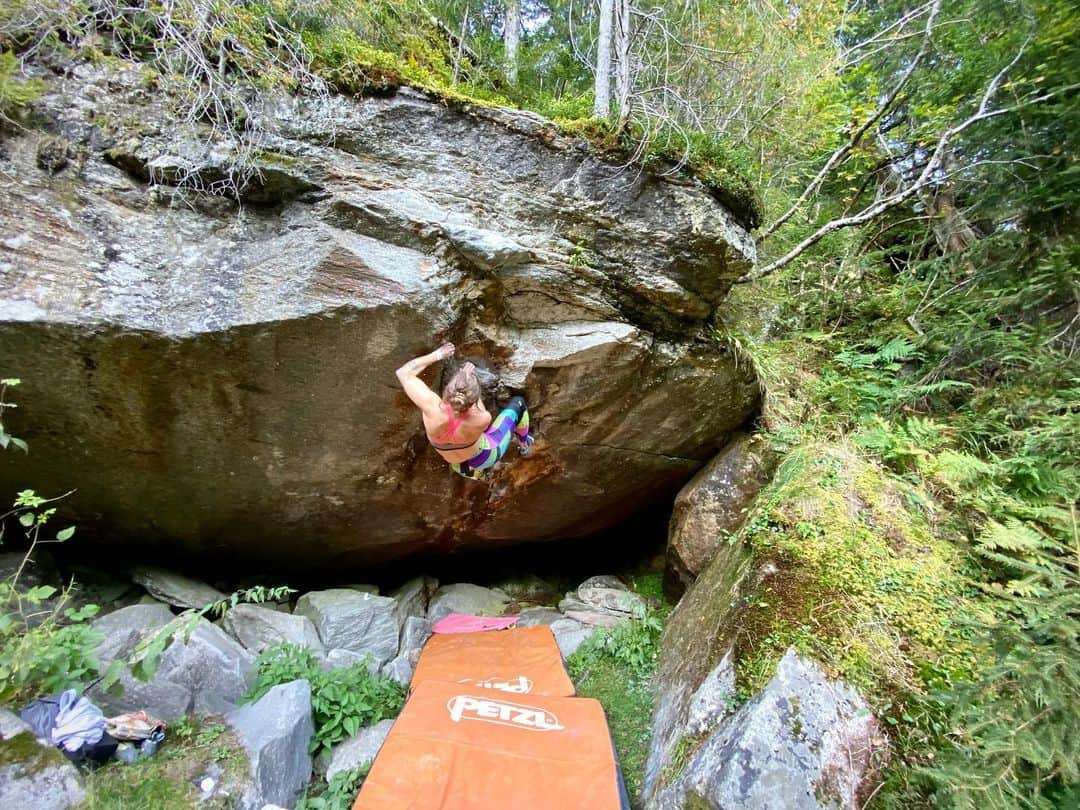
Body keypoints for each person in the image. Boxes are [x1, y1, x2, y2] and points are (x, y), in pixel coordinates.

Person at [395, 343, 533, 480]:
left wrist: (437, 355)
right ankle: (524, 444)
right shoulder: (482, 418)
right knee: (518, 403)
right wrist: (472, 378)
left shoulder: (431, 408)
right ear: (475, 398)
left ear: (447, 391)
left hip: (458, 465)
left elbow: (403, 373)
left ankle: (480, 476)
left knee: (468, 464)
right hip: (485, 457)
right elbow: (473, 404)